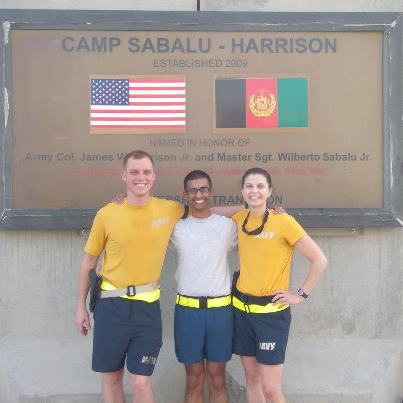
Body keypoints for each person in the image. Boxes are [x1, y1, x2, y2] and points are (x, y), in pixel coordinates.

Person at [75, 150, 184, 403]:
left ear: (154, 176)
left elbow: (205, 211)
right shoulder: (107, 213)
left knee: (140, 381)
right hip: (110, 307)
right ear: (124, 175)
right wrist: (80, 306)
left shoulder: (170, 209)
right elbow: (89, 261)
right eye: (134, 172)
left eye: (146, 172)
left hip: (147, 310)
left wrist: (254, 207)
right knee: (111, 377)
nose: (140, 177)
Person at [231, 167, 328, 403]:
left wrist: (301, 294)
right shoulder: (238, 218)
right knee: (251, 379)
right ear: (242, 190)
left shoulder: (283, 221)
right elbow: (207, 211)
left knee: (271, 388)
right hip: (242, 312)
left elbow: (319, 259)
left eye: (260, 186)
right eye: (250, 186)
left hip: (271, 317)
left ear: (269, 191)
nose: (255, 191)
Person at [170, 170, 237, 403]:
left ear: (211, 192)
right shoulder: (176, 227)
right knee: (193, 379)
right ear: (185, 194)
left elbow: (253, 211)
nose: (199, 195)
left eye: (204, 189)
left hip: (220, 311)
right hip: (188, 312)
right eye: (193, 190)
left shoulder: (227, 226)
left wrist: (275, 211)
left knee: (217, 378)